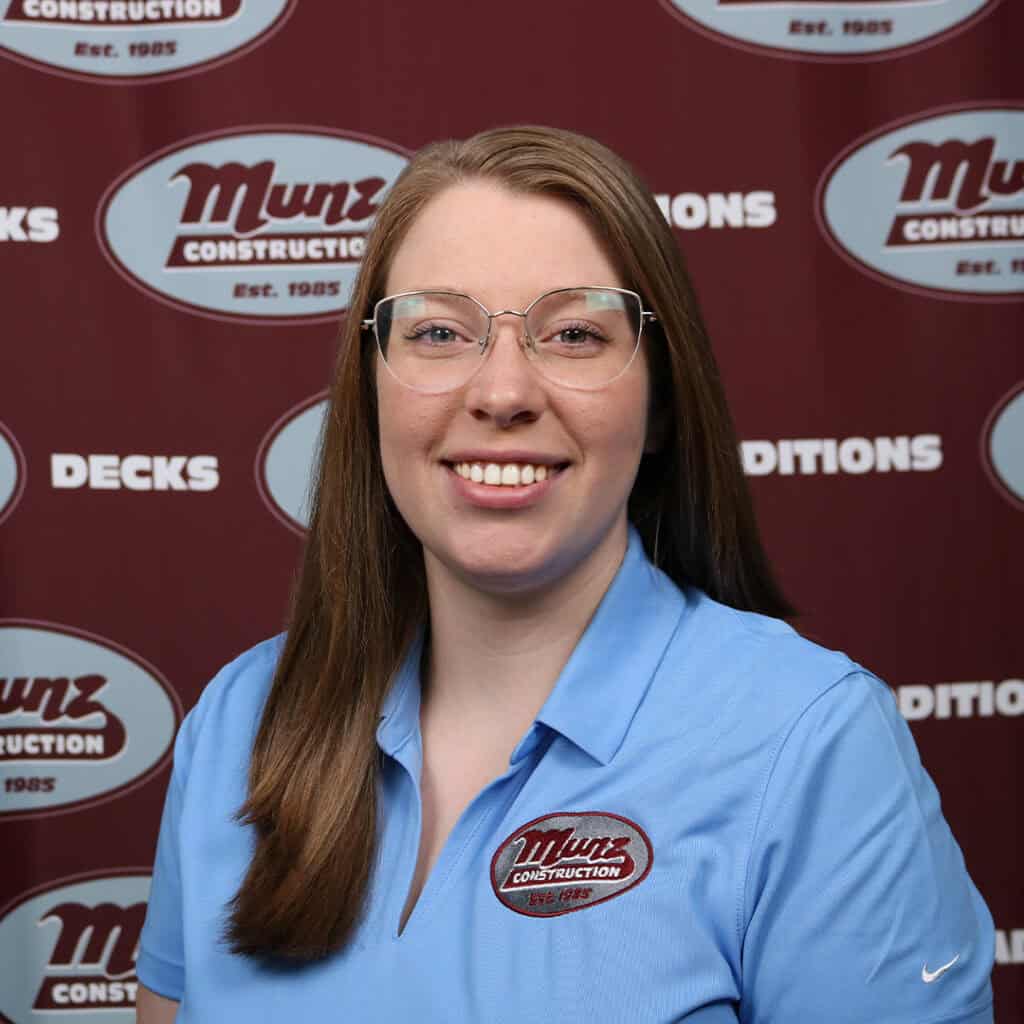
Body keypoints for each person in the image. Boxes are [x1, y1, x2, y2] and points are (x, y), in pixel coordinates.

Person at [135, 126, 994, 1023]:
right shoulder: (239, 723)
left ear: (661, 400)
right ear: (371, 388)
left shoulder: (811, 743)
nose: (503, 393)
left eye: (574, 333)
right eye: (439, 331)